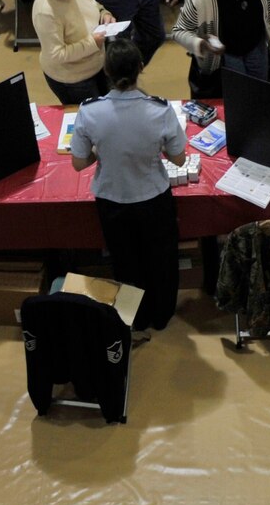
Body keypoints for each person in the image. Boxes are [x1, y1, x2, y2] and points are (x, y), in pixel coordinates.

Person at [71, 41, 187, 338]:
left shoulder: (90, 111)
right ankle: (161, 315)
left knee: (125, 261)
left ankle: (136, 317)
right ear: (140, 68)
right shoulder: (159, 110)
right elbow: (179, 157)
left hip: (112, 201)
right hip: (153, 198)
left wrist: (103, 150)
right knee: (161, 260)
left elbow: (78, 162)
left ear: (106, 71)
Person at [33, 0, 114, 105]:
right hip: (73, 79)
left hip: (98, 64)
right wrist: (92, 44)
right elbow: (56, 54)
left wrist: (103, 12)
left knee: (107, 109)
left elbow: (89, 1)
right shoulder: (45, 12)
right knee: (91, 119)